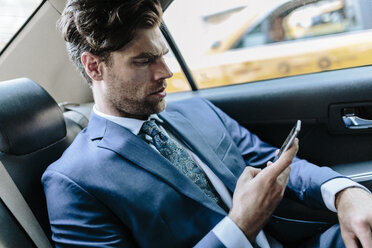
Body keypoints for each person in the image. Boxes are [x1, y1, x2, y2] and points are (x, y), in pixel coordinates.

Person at [42, 0, 372, 247]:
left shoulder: (195, 111)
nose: (165, 72)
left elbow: (274, 162)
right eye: (144, 61)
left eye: (162, 55)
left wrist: (345, 192)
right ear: (94, 67)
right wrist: (241, 225)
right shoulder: (73, 183)